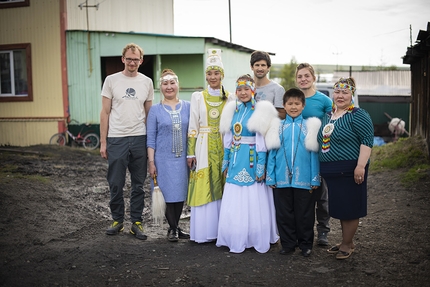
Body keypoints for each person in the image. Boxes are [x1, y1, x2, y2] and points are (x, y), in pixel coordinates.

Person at [216, 74, 280, 253]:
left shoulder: (260, 110)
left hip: (252, 159)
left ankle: (254, 235)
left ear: (253, 90)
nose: (243, 93)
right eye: (239, 89)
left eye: (246, 89)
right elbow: (228, 138)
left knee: (254, 195)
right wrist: (226, 161)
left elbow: (261, 141)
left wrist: (261, 165)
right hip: (236, 158)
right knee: (235, 197)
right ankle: (236, 234)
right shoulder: (232, 110)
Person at [100, 43, 153, 240]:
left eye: (136, 59)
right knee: (115, 182)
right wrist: (104, 142)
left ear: (141, 60)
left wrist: (150, 143)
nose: (132, 62)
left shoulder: (147, 82)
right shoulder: (111, 81)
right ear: (123, 59)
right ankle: (117, 221)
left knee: (138, 184)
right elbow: (104, 112)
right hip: (116, 138)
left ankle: (136, 223)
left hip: (139, 137)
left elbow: (149, 114)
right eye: (129, 59)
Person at [317, 77, 373, 260]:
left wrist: (360, 166)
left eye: (345, 92)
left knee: (350, 208)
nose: (340, 96)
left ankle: (348, 244)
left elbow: (367, 141)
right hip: (332, 173)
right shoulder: (328, 115)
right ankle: (345, 241)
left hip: (349, 170)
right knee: (341, 208)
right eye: (337, 92)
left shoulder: (358, 115)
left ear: (352, 95)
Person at [266, 88, 321, 257]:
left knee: (305, 213)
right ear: (284, 105)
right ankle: (288, 243)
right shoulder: (277, 126)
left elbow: (314, 155)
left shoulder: (311, 126)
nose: (293, 107)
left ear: (303, 106)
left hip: (304, 178)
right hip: (281, 178)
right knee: (284, 213)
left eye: (297, 103)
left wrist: (315, 178)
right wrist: (270, 176)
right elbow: (272, 154)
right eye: (290, 103)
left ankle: (305, 244)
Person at [187, 49, 232, 243]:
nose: (213, 77)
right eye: (209, 73)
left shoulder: (231, 97)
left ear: (222, 75)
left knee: (224, 184)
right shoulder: (198, 97)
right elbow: (193, 125)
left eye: (216, 73)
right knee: (203, 184)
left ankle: (222, 231)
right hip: (203, 146)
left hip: (224, 145)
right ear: (206, 75)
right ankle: (205, 231)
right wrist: (190, 152)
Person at [146, 69, 191, 242]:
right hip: (161, 159)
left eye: (172, 83)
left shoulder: (187, 106)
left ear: (178, 85)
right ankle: (173, 228)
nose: (169, 87)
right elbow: (150, 138)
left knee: (179, 193)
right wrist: (151, 162)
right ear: (161, 87)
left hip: (181, 159)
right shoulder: (155, 110)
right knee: (164, 194)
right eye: (165, 84)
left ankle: (175, 226)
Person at [296, 63, 333, 246]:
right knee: (302, 195)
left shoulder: (324, 100)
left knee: (322, 195)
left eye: (306, 76)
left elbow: (332, 125)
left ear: (313, 78)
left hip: (319, 154)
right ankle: (303, 232)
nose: (303, 79)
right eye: (300, 77)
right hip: (297, 154)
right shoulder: (293, 98)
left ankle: (323, 232)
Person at [250, 50, 286, 119]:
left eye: (263, 65)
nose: (260, 68)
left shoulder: (277, 89)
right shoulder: (246, 87)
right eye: (257, 65)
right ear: (251, 67)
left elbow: (283, 115)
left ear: (268, 68)